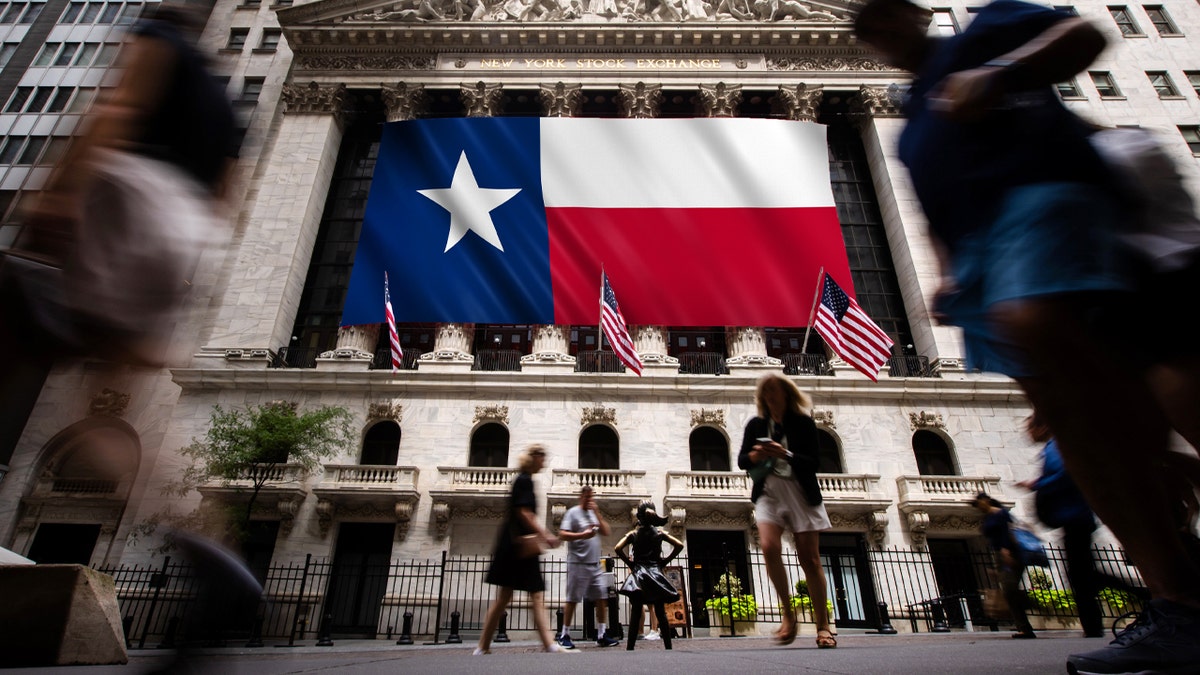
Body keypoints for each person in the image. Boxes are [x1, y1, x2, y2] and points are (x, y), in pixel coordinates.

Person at [853, 1, 1200, 671]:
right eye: (867, 30)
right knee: (1082, 423)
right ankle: (1179, 600)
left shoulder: (982, 31)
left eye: (887, 15)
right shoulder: (912, 122)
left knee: (1090, 356)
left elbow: (1083, 32)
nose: (880, 33)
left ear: (918, 15)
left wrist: (1004, 73)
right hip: (991, 261)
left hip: (1061, 220)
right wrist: (948, 275)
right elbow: (932, 211)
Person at [0, 0, 237, 458]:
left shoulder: (159, 40)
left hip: (133, 201)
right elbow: (228, 188)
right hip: (183, 229)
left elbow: (118, 108)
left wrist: (61, 194)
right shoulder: (221, 100)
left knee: (16, 307)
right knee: (110, 358)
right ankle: (171, 506)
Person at [1016, 414, 1149, 638]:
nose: (1028, 434)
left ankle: (1137, 597)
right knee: (1083, 574)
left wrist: (1036, 484)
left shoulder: (1056, 448)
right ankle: (1096, 624)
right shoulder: (1055, 447)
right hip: (1074, 517)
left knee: (1081, 575)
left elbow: (1067, 474)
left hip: (1074, 516)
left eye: (1030, 428)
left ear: (1042, 427)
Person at [738, 373, 834, 648]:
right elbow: (743, 459)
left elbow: (814, 461)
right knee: (768, 547)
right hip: (769, 491)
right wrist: (756, 455)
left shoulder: (803, 423)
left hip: (800, 491)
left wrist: (786, 454)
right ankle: (788, 615)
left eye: (774, 391)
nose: (769, 396)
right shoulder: (756, 424)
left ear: (786, 394)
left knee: (810, 559)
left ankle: (823, 626)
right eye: (765, 392)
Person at [475, 445, 570, 655]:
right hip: (521, 546)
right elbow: (525, 513)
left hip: (516, 544)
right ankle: (548, 644)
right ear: (534, 457)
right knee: (528, 595)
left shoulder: (523, 480)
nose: (544, 462)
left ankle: (483, 646)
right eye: (542, 457)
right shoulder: (524, 480)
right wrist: (546, 535)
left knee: (510, 596)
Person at [556, 485, 620, 648]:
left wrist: (597, 513)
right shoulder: (572, 513)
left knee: (601, 597)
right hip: (577, 563)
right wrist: (582, 535)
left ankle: (601, 633)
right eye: (587, 497)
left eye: (591, 497)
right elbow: (562, 534)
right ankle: (565, 634)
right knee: (572, 599)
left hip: (594, 563)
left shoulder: (593, 514)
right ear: (581, 497)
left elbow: (606, 531)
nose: (589, 499)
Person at [614, 501, 683, 651]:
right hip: (655, 573)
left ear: (639, 516)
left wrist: (630, 564)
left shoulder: (634, 534)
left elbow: (618, 548)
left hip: (639, 574)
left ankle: (630, 646)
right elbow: (679, 545)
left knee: (636, 613)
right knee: (660, 612)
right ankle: (668, 646)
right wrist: (665, 561)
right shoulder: (659, 533)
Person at [971, 492, 1037, 639]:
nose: (978, 507)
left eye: (978, 503)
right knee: (1009, 591)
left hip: (1010, 554)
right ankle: (1024, 625)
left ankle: (1029, 615)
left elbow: (1008, 533)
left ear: (986, 500)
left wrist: (1006, 551)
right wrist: (996, 568)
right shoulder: (989, 516)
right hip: (1000, 555)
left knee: (1009, 591)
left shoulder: (1000, 514)